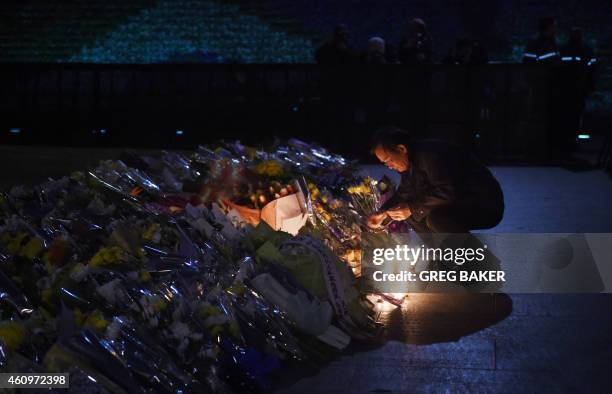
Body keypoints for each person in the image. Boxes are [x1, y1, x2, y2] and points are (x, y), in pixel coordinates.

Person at [367, 126, 504, 233]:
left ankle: (479, 262)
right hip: (455, 202)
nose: (389, 166)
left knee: (437, 219)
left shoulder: (430, 155)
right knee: (411, 215)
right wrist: (383, 213)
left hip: (483, 203)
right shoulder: (409, 164)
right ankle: (442, 257)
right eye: (385, 163)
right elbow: (405, 193)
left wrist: (411, 208)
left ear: (401, 148)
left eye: (389, 159)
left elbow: (447, 191)